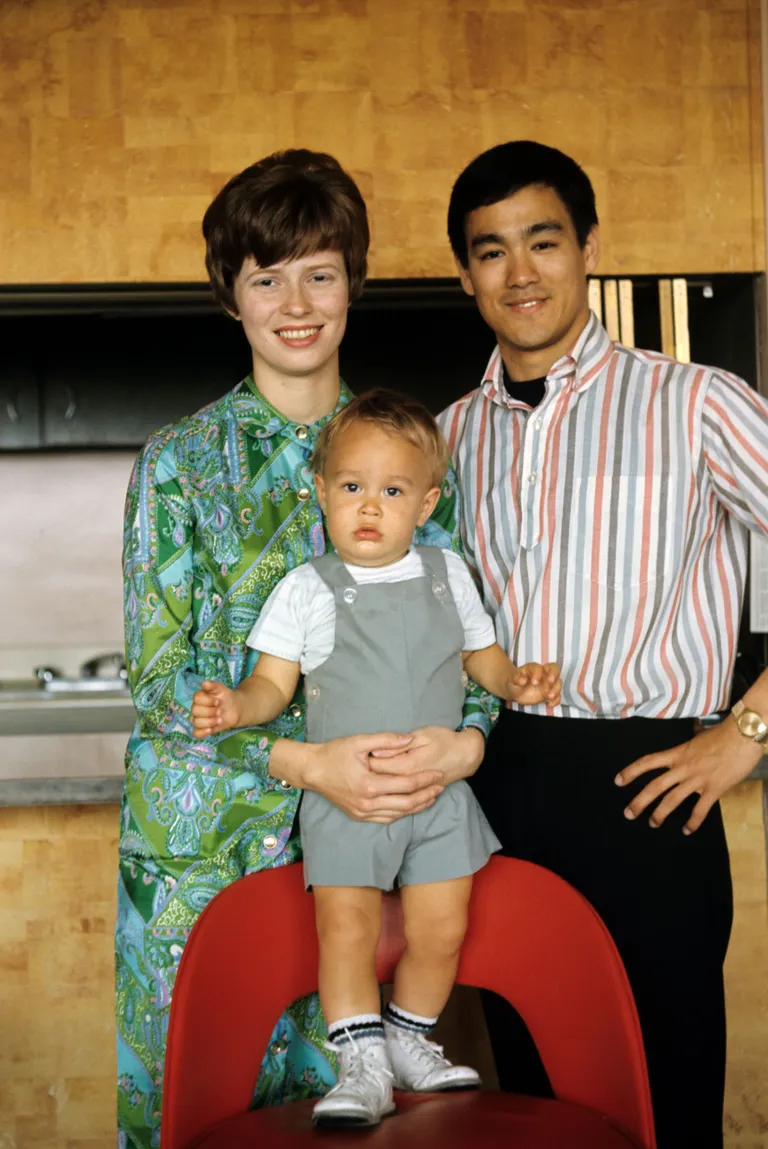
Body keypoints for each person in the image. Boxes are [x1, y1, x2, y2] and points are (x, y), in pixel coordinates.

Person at [116, 150, 501, 1149]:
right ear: (229, 296)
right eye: (266, 276)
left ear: (352, 284)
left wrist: (470, 744)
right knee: (200, 1106)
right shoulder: (178, 464)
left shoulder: (414, 459)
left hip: (380, 837)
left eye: (320, 272)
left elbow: (472, 641)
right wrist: (298, 760)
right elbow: (164, 682)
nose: (297, 301)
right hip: (206, 852)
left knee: (361, 1120)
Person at [439, 139, 768, 1149]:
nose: (520, 272)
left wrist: (747, 730)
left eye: (543, 241)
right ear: (466, 275)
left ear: (589, 248)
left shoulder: (696, 402)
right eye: (491, 252)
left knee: (660, 1105)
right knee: (535, 1110)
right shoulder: (446, 437)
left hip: (649, 789)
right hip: (498, 796)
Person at [190, 389, 562, 1128]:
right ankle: (361, 1062)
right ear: (322, 492)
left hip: (437, 793)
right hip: (345, 797)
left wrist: (512, 679)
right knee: (349, 930)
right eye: (352, 487)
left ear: (424, 505)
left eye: (391, 491)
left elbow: (480, 655)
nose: (369, 506)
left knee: (442, 929)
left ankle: (408, 1035)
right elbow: (273, 684)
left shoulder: (445, 572)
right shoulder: (307, 588)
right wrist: (237, 706)